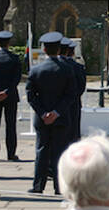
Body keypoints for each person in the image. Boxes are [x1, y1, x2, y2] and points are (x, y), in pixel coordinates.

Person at [27, 31, 77, 194]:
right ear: (58, 49)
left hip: (42, 119)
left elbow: (30, 96)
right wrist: (56, 112)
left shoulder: (36, 70)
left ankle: (38, 185)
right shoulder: (67, 69)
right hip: (61, 118)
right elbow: (71, 95)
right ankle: (59, 186)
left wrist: (43, 113)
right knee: (60, 152)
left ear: (44, 49)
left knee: (41, 150)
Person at [0, 31, 22, 162]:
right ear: (9, 43)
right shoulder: (14, 58)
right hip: (11, 95)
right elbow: (16, 79)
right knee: (11, 125)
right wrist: (6, 92)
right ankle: (11, 153)